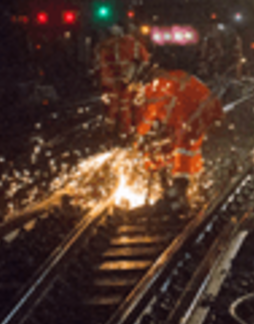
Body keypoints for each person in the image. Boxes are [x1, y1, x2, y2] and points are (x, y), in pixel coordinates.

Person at [130, 65, 224, 212]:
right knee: (186, 147)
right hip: (203, 107)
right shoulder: (166, 81)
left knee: (183, 148)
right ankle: (188, 188)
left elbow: (146, 119)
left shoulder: (154, 90)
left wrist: (139, 136)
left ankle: (177, 194)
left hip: (194, 112)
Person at [94, 24, 151, 140]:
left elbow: (104, 63)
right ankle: (136, 131)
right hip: (131, 80)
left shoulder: (110, 45)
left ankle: (117, 131)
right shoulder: (135, 44)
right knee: (135, 105)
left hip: (116, 82)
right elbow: (145, 61)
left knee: (119, 107)